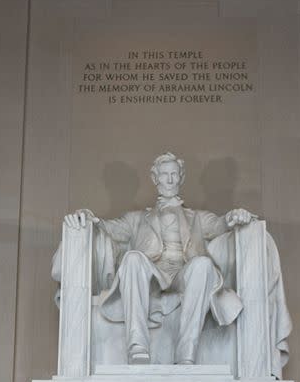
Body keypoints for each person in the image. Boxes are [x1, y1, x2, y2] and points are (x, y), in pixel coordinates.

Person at [61, 152, 255, 365]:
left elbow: (220, 224)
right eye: (164, 175)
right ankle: (137, 347)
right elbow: (107, 228)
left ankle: (186, 353)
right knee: (133, 258)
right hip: (152, 274)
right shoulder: (136, 219)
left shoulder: (197, 218)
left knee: (203, 264)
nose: (170, 180)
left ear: (181, 177)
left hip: (184, 273)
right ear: (155, 179)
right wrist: (87, 217)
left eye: (174, 174)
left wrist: (234, 217)